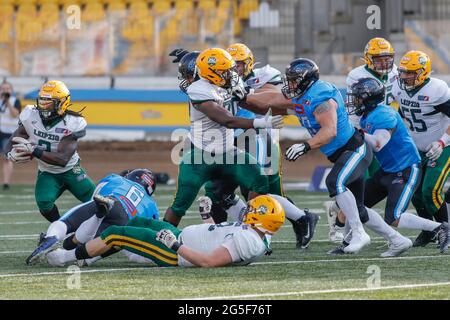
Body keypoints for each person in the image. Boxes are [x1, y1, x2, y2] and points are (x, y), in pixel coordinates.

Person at [163, 48, 284, 227]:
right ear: (212, 73)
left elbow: (253, 105)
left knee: (259, 180)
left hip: (228, 152)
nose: (232, 74)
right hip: (200, 156)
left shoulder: (225, 81)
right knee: (180, 204)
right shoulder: (198, 89)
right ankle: (162, 236)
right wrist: (261, 123)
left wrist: (265, 107)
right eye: (226, 70)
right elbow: (227, 120)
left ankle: (250, 228)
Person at [338, 77, 449, 255]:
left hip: (406, 169)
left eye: (358, 98)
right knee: (354, 204)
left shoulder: (384, 114)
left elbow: (378, 143)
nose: (355, 102)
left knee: (394, 218)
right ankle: (348, 242)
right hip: (387, 170)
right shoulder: (367, 115)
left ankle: (440, 227)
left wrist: (357, 132)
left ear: (369, 99)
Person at [46, 195, 285, 268]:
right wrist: (206, 216)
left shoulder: (249, 240)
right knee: (138, 221)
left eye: (253, 210)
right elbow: (215, 236)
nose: (247, 211)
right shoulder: (252, 234)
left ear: (260, 218)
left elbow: (210, 261)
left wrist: (175, 245)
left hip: (176, 252)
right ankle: (92, 254)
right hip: (179, 237)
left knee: (118, 232)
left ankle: (67, 258)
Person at [325, 37, 398, 242]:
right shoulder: (357, 75)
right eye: (379, 59)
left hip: (381, 130)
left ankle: (344, 220)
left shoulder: (396, 73)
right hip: (360, 130)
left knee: (375, 185)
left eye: (387, 58)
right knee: (359, 182)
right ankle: (347, 225)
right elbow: (356, 108)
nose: (384, 63)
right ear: (367, 59)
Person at [5, 80, 96, 222]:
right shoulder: (31, 115)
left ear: (62, 103)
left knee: (96, 201)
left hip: (71, 170)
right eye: (42, 102)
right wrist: (9, 153)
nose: (44, 107)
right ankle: (61, 228)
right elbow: (14, 138)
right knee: (44, 203)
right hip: (47, 171)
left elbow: (62, 159)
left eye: (49, 103)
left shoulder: (74, 122)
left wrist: (34, 151)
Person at [25, 169, 159, 265]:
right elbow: (149, 230)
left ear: (131, 176)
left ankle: (52, 237)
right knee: (114, 241)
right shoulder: (152, 205)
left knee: (67, 223)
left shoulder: (117, 178)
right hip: (124, 223)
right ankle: (85, 257)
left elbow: (96, 194)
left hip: (112, 200)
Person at [392, 51, 450, 247]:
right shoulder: (398, 88)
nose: (405, 77)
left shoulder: (438, 89)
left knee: (430, 191)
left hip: (442, 147)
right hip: (416, 148)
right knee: (415, 192)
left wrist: (442, 141)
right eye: (403, 72)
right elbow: (404, 113)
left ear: (423, 72)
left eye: (410, 73)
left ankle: (446, 230)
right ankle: (429, 231)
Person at [0, 81, 21, 190]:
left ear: (11, 91)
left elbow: (15, 115)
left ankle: (6, 182)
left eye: (7, 88)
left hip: (8, 133)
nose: (5, 90)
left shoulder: (15, 101)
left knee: (6, 158)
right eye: (3, 88)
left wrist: (7, 102)